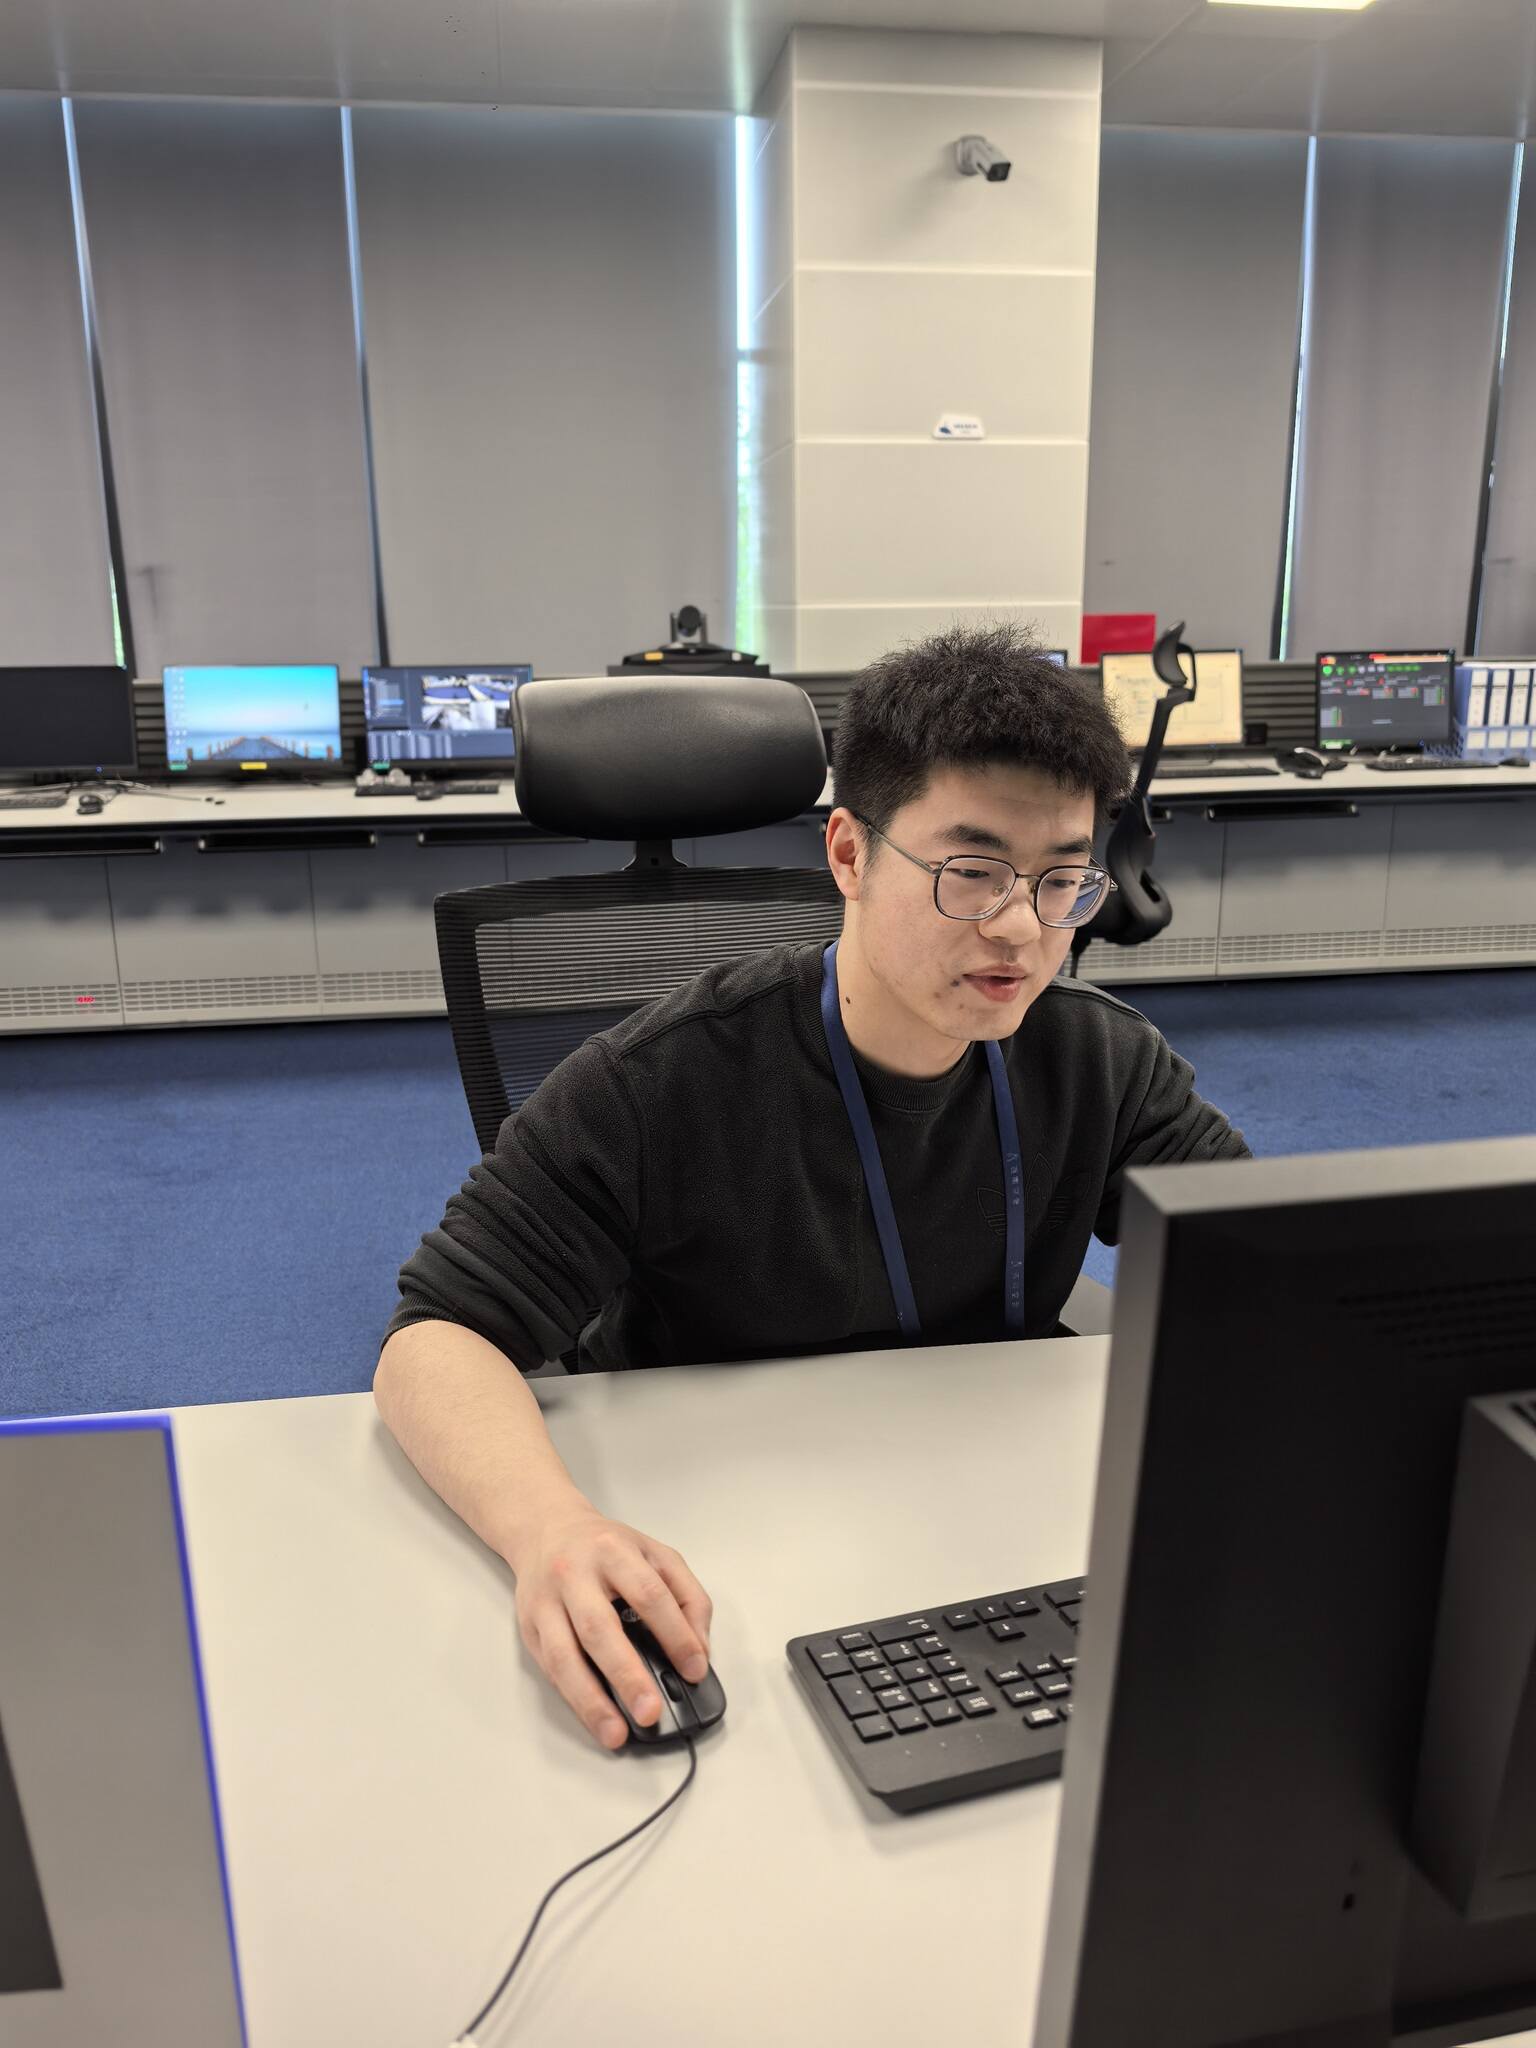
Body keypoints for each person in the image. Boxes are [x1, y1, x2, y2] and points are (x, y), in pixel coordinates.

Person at [375, 623, 1251, 1753]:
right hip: (720, 1535)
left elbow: (1268, 1267)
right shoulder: (664, 1078)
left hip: (974, 1523)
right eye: (972, 872)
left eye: (1061, 880)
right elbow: (435, 1338)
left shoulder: (1100, 1060)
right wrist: (551, 1530)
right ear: (849, 854)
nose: (1021, 930)